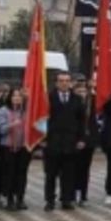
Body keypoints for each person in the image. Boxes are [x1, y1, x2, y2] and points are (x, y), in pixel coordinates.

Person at [44, 72, 87, 211]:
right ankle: (50, 200)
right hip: (52, 142)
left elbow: (82, 121)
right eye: (61, 80)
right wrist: (43, 139)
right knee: (51, 174)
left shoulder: (77, 99)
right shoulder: (48, 98)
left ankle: (66, 199)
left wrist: (81, 139)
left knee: (68, 174)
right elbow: (42, 120)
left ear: (71, 83)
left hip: (71, 142)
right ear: (56, 83)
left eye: (67, 81)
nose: (64, 83)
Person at [0, 89, 31, 210]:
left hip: (23, 147)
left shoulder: (25, 111)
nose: (17, 98)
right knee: (9, 173)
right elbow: (1, 129)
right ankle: (9, 199)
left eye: (19, 96)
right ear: (10, 97)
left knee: (22, 173)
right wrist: (12, 124)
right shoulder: (3, 110)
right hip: (7, 147)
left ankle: (20, 198)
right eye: (14, 96)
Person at [71, 76, 97, 206]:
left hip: (88, 141)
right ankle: (72, 192)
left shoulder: (90, 104)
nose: (82, 93)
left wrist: (93, 89)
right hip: (74, 140)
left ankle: (83, 194)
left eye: (84, 91)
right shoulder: (72, 103)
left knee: (85, 169)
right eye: (79, 91)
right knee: (73, 168)